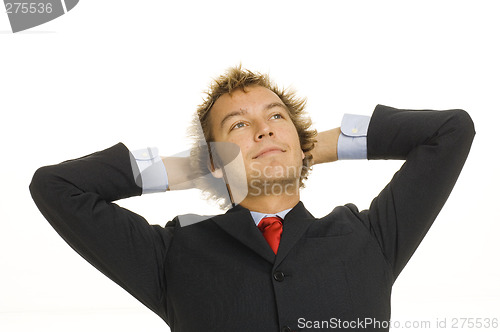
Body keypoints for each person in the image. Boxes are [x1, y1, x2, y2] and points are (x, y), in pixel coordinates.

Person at [29, 66, 475, 332]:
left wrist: (302, 147)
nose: (263, 130)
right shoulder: (174, 254)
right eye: (239, 126)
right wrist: (198, 167)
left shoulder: (370, 238)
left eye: (275, 117)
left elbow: (451, 131)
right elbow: (56, 187)